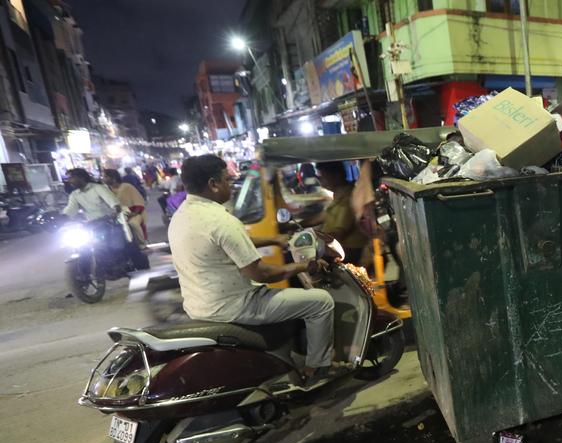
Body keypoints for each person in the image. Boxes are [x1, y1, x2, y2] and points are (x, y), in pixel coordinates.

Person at [168, 154, 336, 382]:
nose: (231, 186)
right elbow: (262, 273)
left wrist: (274, 240)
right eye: (227, 180)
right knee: (321, 302)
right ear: (213, 184)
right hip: (235, 306)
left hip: (199, 305)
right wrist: (305, 265)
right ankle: (317, 368)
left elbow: (225, 244)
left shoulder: (181, 216)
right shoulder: (220, 220)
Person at [302, 161, 368, 264]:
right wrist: (293, 225)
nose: (320, 180)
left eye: (323, 176)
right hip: (335, 250)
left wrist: (307, 240)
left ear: (336, 176)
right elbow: (321, 217)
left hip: (346, 253)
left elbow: (337, 234)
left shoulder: (348, 199)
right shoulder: (338, 196)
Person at [103, 168, 149, 249]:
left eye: (106, 177)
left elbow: (138, 201)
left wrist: (134, 213)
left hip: (132, 213)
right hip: (115, 215)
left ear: (113, 178)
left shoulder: (127, 187)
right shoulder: (105, 190)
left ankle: (142, 244)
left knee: (133, 223)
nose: (103, 179)